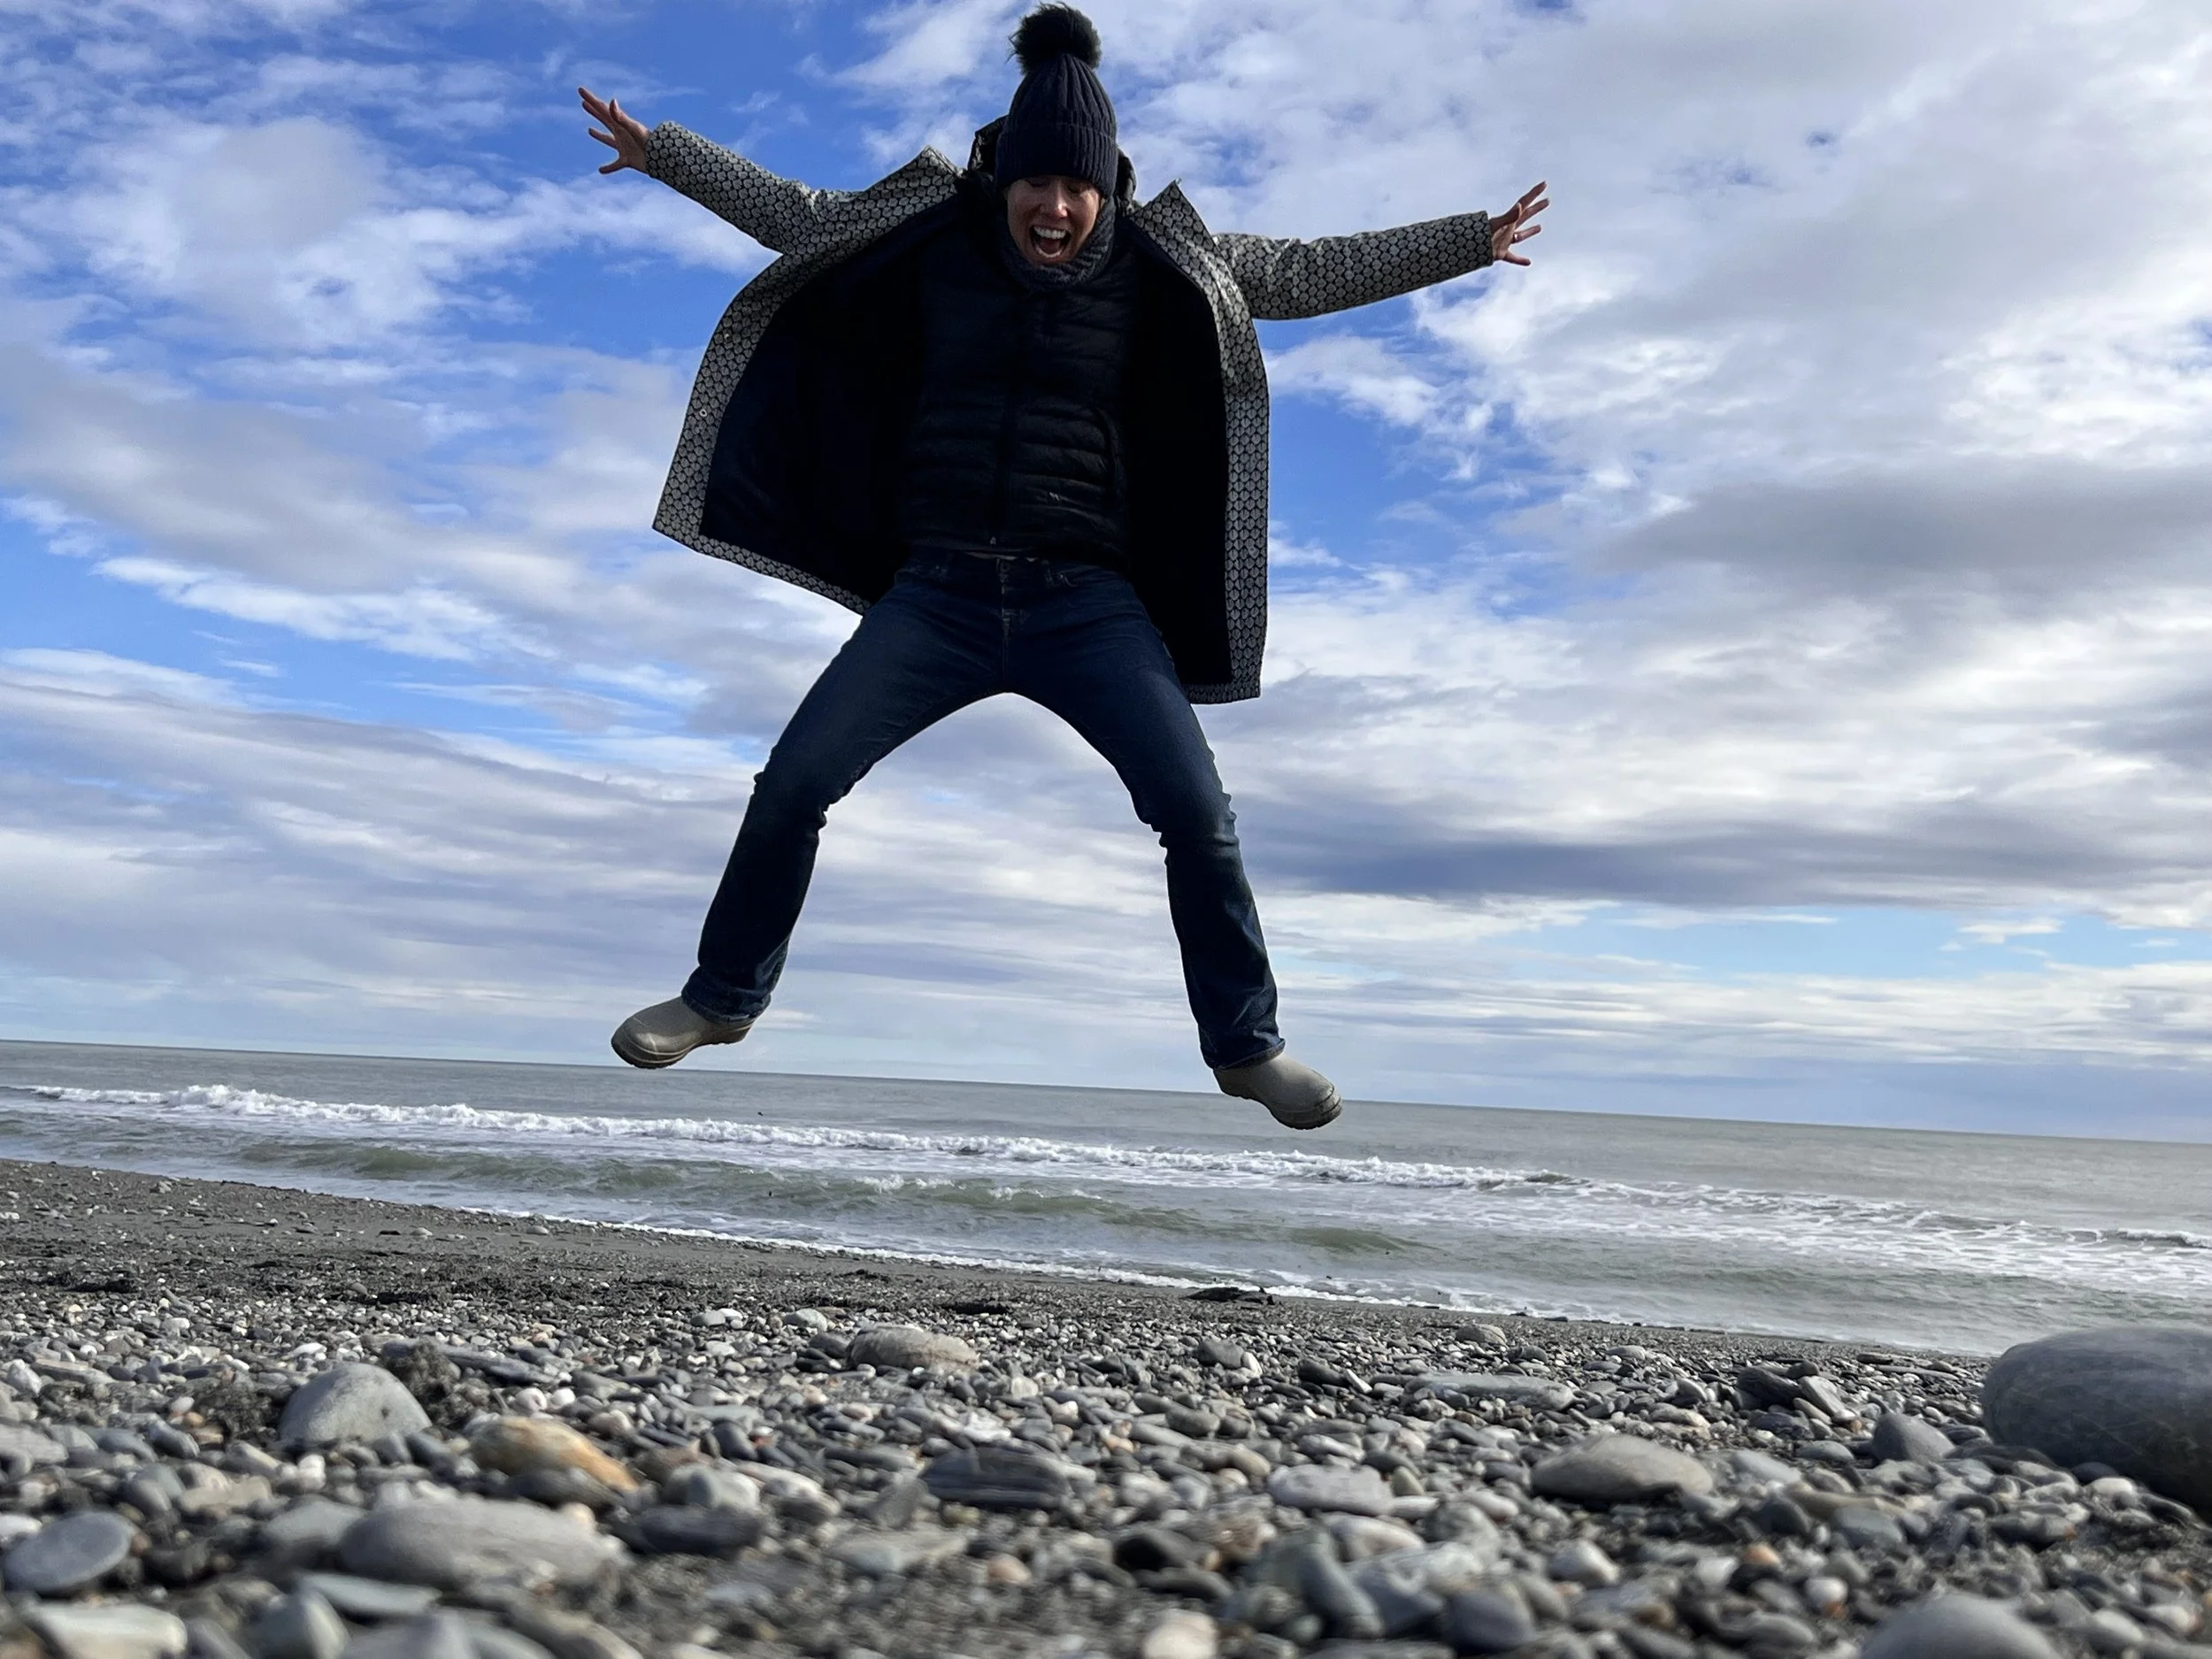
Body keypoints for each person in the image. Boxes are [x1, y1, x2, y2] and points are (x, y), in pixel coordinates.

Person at [582, 4, 1546, 1130]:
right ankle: (721, 998)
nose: (1055, 206)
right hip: (936, 595)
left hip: (1086, 603)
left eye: (1076, 187)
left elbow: (1299, 271)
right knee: (795, 783)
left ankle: (1246, 1047)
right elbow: (798, 216)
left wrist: (1466, 241)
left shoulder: (1162, 259)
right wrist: (667, 154)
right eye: (1036, 183)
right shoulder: (931, 236)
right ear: (1005, 181)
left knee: (1197, 813)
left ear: (1106, 188)